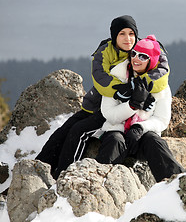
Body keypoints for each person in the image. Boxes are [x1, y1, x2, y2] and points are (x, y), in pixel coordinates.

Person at [35, 15, 170, 179]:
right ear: (114, 36)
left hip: (116, 112)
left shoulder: (144, 48)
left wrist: (143, 90)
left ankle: (63, 176)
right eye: (121, 34)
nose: (128, 39)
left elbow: (162, 70)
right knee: (63, 132)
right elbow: (100, 77)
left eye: (131, 33)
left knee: (78, 131)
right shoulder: (105, 50)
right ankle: (39, 170)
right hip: (100, 104)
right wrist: (123, 90)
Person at [95, 35, 184, 182]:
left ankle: (178, 185)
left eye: (143, 56)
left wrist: (139, 128)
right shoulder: (117, 77)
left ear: (152, 60)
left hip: (142, 136)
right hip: (116, 130)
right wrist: (132, 106)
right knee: (114, 141)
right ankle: (98, 185)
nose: (136, 59)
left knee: (155, 142)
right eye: (134, 54)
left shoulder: (160, 86)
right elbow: (109, 113)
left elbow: (162, 119)